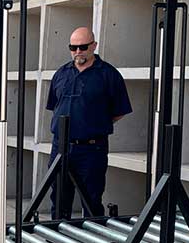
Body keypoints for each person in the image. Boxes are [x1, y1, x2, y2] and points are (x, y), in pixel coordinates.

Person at [46, 27, 132, 218]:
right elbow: (55, 106)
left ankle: (93, 236)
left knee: (91, 200)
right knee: (59, 200)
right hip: (60, 147)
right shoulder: (61, 74)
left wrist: (92, 124)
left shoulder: (109, 75)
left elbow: (119, 111)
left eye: (83, 47)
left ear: (94, 46)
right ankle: (57, 236)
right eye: (73, 47)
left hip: (92, 150)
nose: (78, 51)